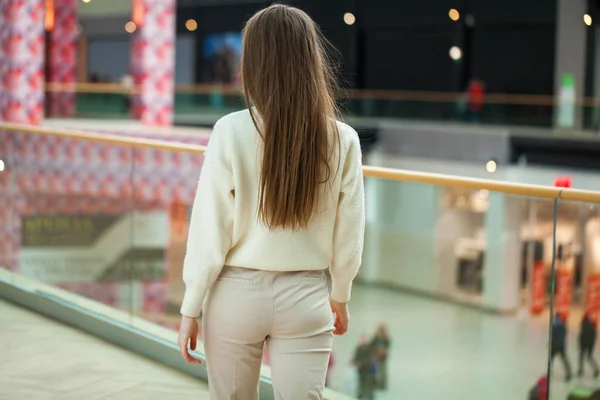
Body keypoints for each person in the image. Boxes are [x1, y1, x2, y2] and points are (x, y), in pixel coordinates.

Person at [176, 4, 366, 400]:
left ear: (254, 64)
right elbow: (350, 232)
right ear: (310, 61)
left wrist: (190, 306)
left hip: (233, 295)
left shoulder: (229, 131)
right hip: (307, 296)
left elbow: (209, 229)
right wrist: (341, 295)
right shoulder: (343, 139)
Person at [354, 335, 377, 400]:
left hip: (368, 369)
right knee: (361, 382)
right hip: (360, 370)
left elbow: (370, 359)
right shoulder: (358, 348)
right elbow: (355, 357)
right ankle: (360, 394)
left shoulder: (369, 349)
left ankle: (369, 395)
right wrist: (354, 362)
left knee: (368, 382)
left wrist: (361, 363)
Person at [551, 313, 572, 381]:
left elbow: (552, 335)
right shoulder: (562, 325)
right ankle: (568, 373)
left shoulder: (554, 325)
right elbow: (565, 333)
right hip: (561, 345)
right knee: (564, 360)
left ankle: (549, 372)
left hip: (554, 345)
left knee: (551, 360)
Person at [579, 312, 599, 378]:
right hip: (589, 343)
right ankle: (595, 369)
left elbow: (583, 336)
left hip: (585, 343)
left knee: (583, 356)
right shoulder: (591, 326)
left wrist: (581, 343)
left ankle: (581, 370)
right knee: (588, 356)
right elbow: (593, 336)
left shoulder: (585, 325)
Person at [370, 324, 390, 390]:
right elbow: (371, 345)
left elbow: (386, 348)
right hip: (375, 357)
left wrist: (381, 352)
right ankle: (375, 385)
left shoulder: (386, 338)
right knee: (375, 372)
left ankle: (382, 385)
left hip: (382, 358)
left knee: (382, 372)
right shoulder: (376, 337)